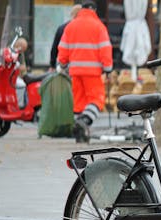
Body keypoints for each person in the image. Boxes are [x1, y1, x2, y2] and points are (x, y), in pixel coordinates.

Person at [57, 0, 113, 143]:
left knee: (79, 103)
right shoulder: (99, 27)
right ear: (93, 10)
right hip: (93, 72)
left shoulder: (70, 26)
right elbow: (105, 50)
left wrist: (62, 64)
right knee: (97, 100)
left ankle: (79, 134)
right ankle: (84, 121)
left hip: (75, 71)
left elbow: (62, 49)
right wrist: (108, 69)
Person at [49, 4, 82, 70]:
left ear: (72, 15)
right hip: (79, 66)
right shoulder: (85, 29)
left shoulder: (62, 28)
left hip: (63, 65)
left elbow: (54, 49)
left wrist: (52, 65)